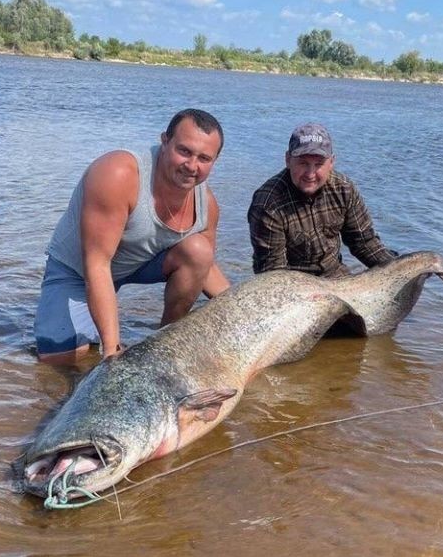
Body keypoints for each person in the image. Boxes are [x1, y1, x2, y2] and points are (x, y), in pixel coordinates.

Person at [35, 108, 230, 365]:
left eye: (204, 158)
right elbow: (97, 265)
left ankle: (166, 342)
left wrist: (251, 312)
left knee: (199, 250)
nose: (192, 166)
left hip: (138, 263)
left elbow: (205, 268)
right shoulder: (118, 174)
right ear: (164, 141)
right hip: (79, 269)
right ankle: (94, 332)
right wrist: (112, 351)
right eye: (184, 151)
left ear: (215, 161)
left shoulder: (207, 206)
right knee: (61, 360)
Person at [248, 122, 397, 278]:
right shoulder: (267, 204)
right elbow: (273, 272)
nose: (310, 174)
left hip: (337, 278)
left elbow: (364, 243)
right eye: (303, 163)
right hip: (294, 287)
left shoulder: (344, 189)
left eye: (318, 164)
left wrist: (399, 268)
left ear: (331, 162)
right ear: (287, 160)